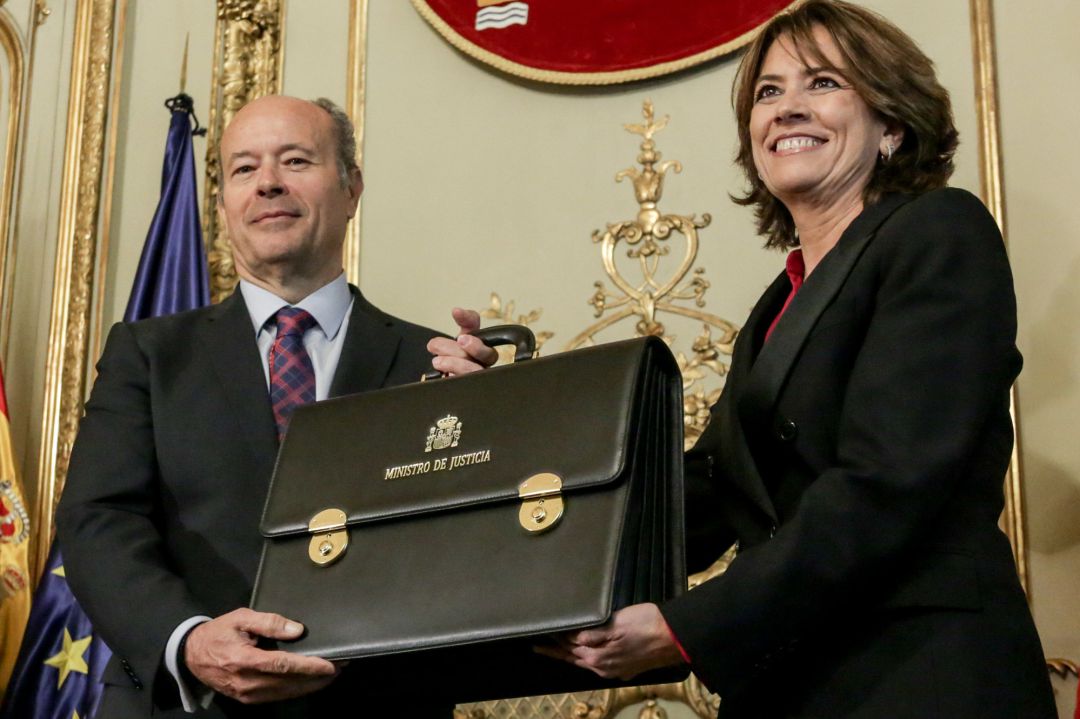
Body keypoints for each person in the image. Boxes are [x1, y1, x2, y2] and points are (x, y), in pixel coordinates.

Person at [428, 2, 1056, 716]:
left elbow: (888, 484)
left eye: (823, 83)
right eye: (768, 92)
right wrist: (503, 427)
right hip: (797, 682)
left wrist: (686, 628)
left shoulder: (940, 229)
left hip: (922, 675)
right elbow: (703, 492)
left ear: (893, 124)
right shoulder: (779, 303)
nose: (787, 108)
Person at [56, 96, 451, 717]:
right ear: (224, 206)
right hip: (184, 703)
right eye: (244, 168)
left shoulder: (436, 363)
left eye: (295, 161)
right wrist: (188, 640)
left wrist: (491, 421)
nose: (268, 182)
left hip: (376, 701)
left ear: (351, 188)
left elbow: (468, 545)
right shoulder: (149, 354)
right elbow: (98, 520)